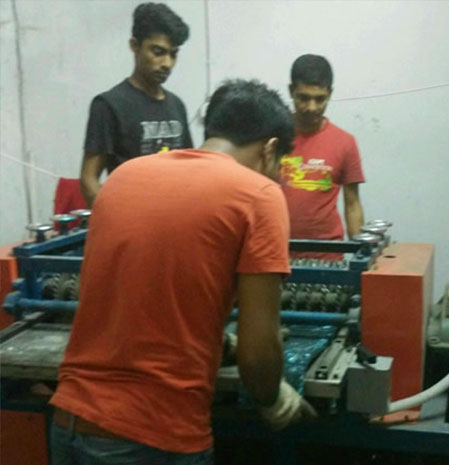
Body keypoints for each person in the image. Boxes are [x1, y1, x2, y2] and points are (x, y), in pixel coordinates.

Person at [50, 79, 317, 465]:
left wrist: (220, 344)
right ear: (269, 149)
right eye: (278, 168)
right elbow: (258, 355)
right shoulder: (259, 195)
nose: (277, 179)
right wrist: (272, 398)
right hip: (155, 437)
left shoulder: (123, 176)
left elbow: (151, 293)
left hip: (70, 422)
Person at [80, 2, 194, 208]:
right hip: (131, 218)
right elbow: (89, 179)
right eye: (158, 52)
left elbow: (190, 169)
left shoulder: (177, 105)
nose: (167, 63)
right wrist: (114, 220)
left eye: (173, 54)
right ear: (135, 46)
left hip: (176, 218)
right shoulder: (108, 105)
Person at [280, 54, 365, 243]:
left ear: (330, 94)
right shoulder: (271, 138)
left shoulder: (345, 142)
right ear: (291, 91)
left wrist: (361, 254)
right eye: (303, 98)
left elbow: (352, 205)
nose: (311, 107)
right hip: (276, 253)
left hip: (329, 254)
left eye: (320, 99)